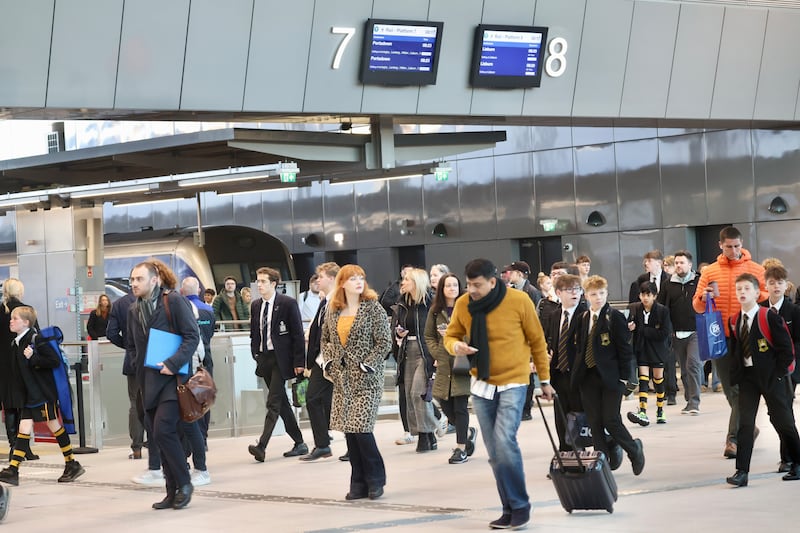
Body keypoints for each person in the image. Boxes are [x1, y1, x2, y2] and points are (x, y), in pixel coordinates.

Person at [444, 258, 553, 530]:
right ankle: (509, 508)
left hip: (514, 381)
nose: (471, 290)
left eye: (477, 285)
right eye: (468, 284)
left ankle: (520, 506)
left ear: (494, 282)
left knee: (504, 442)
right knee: (494, 452)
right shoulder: (464, 304)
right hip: (481, 384)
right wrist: (455, 346)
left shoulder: (519, 301)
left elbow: (537, 341)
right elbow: (451, 335)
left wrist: (545, 380)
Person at [127, 260, 199, 509]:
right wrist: (137, 368)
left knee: (163, 430)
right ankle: (172, 490)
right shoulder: (133, 310)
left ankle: (185, 482)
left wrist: (173, 361)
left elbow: (192, 335)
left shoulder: (173, 301)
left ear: (154, 280)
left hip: (173, 378)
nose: (134, 283)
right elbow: (133, 346)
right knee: (160, 436)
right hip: (148, 382)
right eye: (132, 279)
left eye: (139, 279)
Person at [692, 226, 767, 459]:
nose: (733, 251)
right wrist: (704, 298)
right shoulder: (710, 272)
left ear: (741, 243)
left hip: (747, 337)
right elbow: (696, 304)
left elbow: (765, 297)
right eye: (728, 247)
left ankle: (732, 439)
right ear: (720, 246)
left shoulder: (756, 269)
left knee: (742, 390)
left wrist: (754, 295)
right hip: (720, 338)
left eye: (737, 246)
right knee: (730, 391)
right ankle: (748, 427)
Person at [321, 264, 391, 500]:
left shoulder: (373, 308)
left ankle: (376, 479)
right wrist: (328, 362)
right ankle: (358, 482)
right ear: (342, 283)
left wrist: (368, 363)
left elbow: (384, 342)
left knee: (361, 430)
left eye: (361, 277)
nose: (359, 282)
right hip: (343, 380)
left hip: (367, 379)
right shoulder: (333, 310)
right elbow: (326, 340)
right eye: (353, 278)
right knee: (350, 433)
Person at [725, 273, 800, 486]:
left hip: (771, 377)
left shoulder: (769, 316)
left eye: (747, 289)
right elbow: (736, 351)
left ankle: (797, 462)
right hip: (748, 379)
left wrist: (777, 373)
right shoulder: (734, 320)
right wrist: (736, 376)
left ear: (758, 292)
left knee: (783, 421)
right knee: (745, 424)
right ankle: (742, 472)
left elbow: (787, 349)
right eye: (739, 289)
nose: (742, 293)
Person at [0, 305, 85, 486]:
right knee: (24, 429)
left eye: (15, 318)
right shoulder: (16, 343)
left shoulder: (35, 340)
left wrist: (34, 358)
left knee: (54, 426)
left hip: (43, 394)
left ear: (26, 322)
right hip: (29, 396)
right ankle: (13, 470)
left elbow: (53, 361)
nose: (11, 321)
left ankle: (72, 463)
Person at [572, 275, 645, 476]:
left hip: (612, 377)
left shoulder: (614, 317)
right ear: (586, 296)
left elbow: (625, 350)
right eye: (593, 294)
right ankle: (601, 465)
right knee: (595, 422)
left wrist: (625, 378)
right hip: (588, 377)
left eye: (602, 293)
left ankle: (634, 449)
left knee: (611, 420)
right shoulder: (583, 318)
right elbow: (579, 348)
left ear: (607, 294)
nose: (598, 298)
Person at [247, 267, 308, 462]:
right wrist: (255, 352)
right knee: (281, 403)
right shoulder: (256, 305)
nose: (259, 285)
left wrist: (299, 361)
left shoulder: (287, 304)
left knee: (273, 402)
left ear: (274, 284)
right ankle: (300, 442)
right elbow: (254, 332)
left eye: (264, 281)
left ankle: (262, 445)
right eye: (258, 281)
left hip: (282, 359)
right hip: (265, 358)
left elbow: (298, 334)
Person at [425, 273, 477, 464]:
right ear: (442, 289)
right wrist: (438, 352)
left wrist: (456, 337)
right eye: (448, 286)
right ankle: (467, 431)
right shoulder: (435, 311)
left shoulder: (468, 308)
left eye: (455, 285)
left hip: (462, 361)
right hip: (443, 362)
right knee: (443, 401)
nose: (452, 288)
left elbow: (476, 332)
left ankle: (460, 448)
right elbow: (429, 336)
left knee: (460, 405)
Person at [392, 268, 438, 452]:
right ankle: (427, 435)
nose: (402, 283)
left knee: (418, 392)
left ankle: (427, 433)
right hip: (407, 350)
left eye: (407, 280)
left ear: (417, 282)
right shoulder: (402, 303)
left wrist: (437, 354)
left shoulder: (431, 302)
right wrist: (397, 331)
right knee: (410, 395)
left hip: (426, 351)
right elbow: (397, 325)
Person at [760, 265, 800, 473]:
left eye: (780, 282)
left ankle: (789, 457)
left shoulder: (793, 310)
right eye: (772, 282)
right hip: (765, 371)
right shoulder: (760, 309)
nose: (776, 286)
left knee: (785, 412)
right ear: (765, 285)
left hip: (787, 369)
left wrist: (790, 365)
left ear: (786, 285)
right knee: (774, 414)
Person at [299, 262, 340, 462]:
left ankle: (353, 442)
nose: (317, 280)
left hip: (335, 359)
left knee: (343, 402)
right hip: (320, 359)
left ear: (332, 278)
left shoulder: (338, 301)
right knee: (313, 398)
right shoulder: (324, 301)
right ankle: (322, 445)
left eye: (321, 276)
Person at [545, 274, 588, 451]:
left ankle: (583, 455)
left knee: (580, 418)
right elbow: (551, 341)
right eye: (569, 290)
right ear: (558, 293)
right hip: (559, 374)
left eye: (577, 289)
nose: (574, 293)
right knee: (561, 418)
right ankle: (566, 456)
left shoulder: (586, 314)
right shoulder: (555, 315)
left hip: (579, 376)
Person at [180, 276, 216, 486]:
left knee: (187, 412)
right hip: (204, 365)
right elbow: (208, 335)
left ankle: (193, 457)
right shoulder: (207, 310)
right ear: (199, 290)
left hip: (188, 367)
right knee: (201, 406)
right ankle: (203, 439)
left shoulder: (182, 309)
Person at [658, 250, 703, 415]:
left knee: (693, 364)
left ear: (690, 265)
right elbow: (661, 307)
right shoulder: (668, 284)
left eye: (682, 262)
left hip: (696, 331)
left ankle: (694, 402)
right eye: (676, 263)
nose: (678, 265)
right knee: (684, 370)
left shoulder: (699, 281)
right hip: (676, 333)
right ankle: (689, 398)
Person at [0, 279, 39, 462]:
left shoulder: (1, 310)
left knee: (8, 406)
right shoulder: (26, 311)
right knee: (24, 406)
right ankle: (25, 448)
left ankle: (13, 447)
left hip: (3, 366)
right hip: (23, 363)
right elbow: (36, 336)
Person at [106, 276, 144, 460]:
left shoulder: (119, 304)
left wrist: (128, 346)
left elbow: (111, 333)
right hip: (155, 361)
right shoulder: (155, 300)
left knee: (135, 404)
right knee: (156, 402)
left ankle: (136, 448)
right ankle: (157, 444)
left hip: (132, 361)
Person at [626, 282, 673, 426]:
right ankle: (643, 411)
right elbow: (629, 325)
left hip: (658, 349)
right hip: (642, 348)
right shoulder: (635, 309)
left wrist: (644, 330)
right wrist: (630, 328)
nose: (645, 298)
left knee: (658, 379)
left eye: (648, 295)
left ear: (654, 296)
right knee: (643, 379)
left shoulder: (662, 310)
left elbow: (665, 332)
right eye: (642, 295)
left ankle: (660, 410)